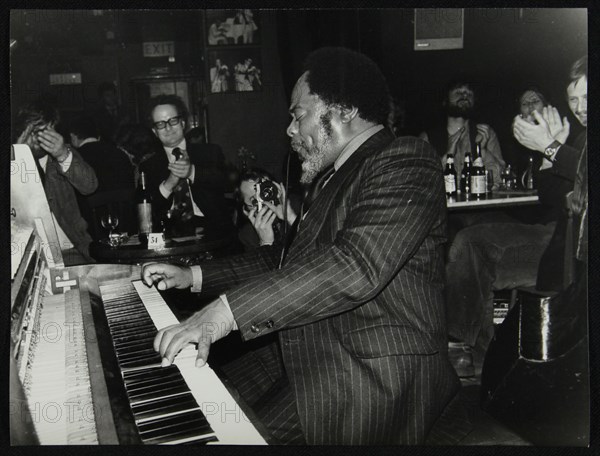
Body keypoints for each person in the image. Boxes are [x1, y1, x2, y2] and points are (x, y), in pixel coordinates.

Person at [142, 47, 460, 445]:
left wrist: (223, 313)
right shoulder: (334, 178)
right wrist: (193, 276)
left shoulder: (404, 159)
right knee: (199, 413)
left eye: (298, 114)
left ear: (343, 109)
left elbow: (355, 266)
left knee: (228, 439)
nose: (290, 130)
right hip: (316, 346)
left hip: (371, 370)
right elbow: (285, 259)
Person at [444, 57, 587, 378]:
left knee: (472, 243)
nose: (580, 107)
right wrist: (551, 151)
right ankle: (473, 351)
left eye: (588, 98)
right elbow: (552, 195)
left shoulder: (574, 143)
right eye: (574, 99)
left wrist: (551, 148)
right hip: (554, 235)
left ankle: (481, 354)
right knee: (470, 236)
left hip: (567, 249)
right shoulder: (578, 138)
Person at [13, 97, 98, 264]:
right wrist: (16, 157)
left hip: (70, 250)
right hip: (29, 257)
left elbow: (90, 186)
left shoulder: (63, 154)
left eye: (44, 131)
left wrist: (62, 155)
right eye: (32, 131)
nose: (37, 139)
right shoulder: (12, 159)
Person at [140, 94, 232, 236]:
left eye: (173, 121)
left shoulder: (210, 152)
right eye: (160, 124)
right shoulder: (148, 165)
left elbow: (227, 183)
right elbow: (147, 211)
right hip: (169, 234)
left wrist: (192, 172)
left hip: (213, 230)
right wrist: (169, 184)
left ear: (183, 123)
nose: (168, 128)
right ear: (155, 132)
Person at [419, 80, 506, 189]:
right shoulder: (427, 137)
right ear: (445, 100)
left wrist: (482, 151)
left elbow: (501, 180)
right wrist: (448, 155)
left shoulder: (486, 133)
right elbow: (422, 182)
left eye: (469, 94)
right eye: (458, 92)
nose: (465, 96)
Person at [69, 116, 135, 237]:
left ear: (73, 137)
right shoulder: (120, 153)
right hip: (128, 224)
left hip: (93, 231)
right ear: (98, 136)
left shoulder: (75, 159)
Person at [236, 169, 297, 250]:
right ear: (246, 210)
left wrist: (292, 218)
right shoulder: (248, 236)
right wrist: (266, 243)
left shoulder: (299, 206)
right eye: (254, 199)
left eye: (266, 191)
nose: (264, 201)